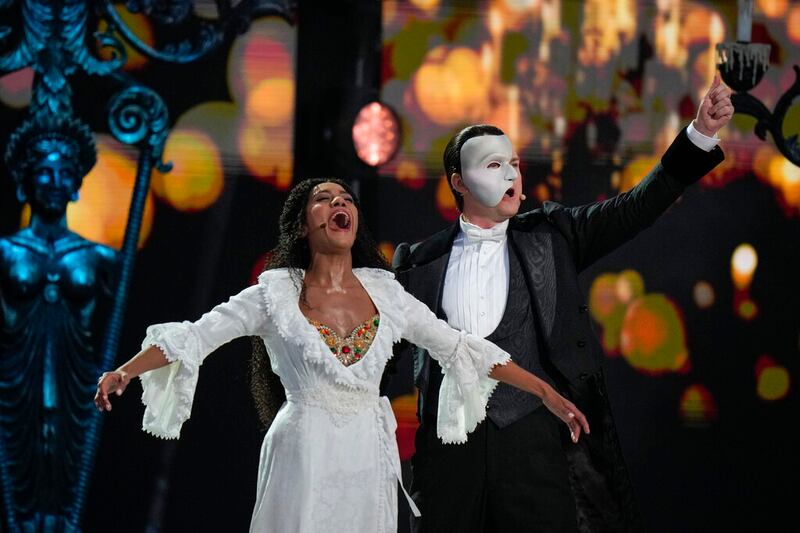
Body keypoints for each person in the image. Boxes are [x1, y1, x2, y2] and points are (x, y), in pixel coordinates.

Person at [95, 177, 590, 533]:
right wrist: (125, 371)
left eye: (346, 199)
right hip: (303, 452)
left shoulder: (386, 292)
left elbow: (460, 348)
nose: (339, 202)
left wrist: (545, 392)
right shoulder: (274, 294)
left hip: (367, 458)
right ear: (302, 225)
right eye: (323, 199)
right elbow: (195, 337)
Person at [392, 76, 732, 532]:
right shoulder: (418, 262)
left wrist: (700, 134)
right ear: (459, 182)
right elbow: (379, 355)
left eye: (514, 164)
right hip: (448, 455)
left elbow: (636, 207)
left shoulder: (552, 236)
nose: (511, 175)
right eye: (494, 164)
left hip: (535, 447)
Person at [0, 113, 117, 531]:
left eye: (63, 172)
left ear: (76, 184)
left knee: (66, 475)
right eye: (43, 172)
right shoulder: (6, 251)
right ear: (25, 181)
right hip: (16, 381)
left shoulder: (100, 258)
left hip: (76, 381)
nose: (53, 181)